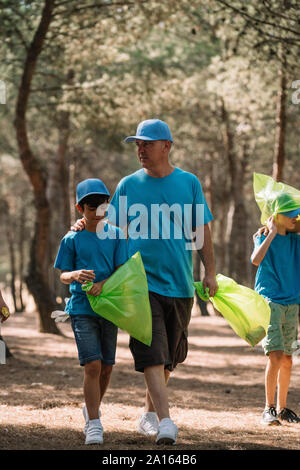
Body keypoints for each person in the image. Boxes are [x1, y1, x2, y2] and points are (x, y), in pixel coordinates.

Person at [72, 119, 218, 445]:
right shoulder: (128, 185)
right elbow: (106, 227)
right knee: (152, 354)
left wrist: (209, 271)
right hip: (140, 285)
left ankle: (150, 414)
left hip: (180, 284)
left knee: (169, 359)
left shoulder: (189, 183)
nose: (140, 150)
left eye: (146, 144)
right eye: (137, 144)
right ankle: (167, 423)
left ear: (166, 146)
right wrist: (84, 225)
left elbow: (202, 230)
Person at [54, 178, 128, 445]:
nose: (98, 210)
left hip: (110, 309)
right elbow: (63, 275)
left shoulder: (117, 236)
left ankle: (92, 409)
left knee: (107, 368)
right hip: (81, 309)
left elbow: (123, 271)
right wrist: (73, 275)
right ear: (79, 208)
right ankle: (94, 424)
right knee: (93, 364)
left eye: (102, 204)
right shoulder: (71, 238)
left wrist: (102, 285)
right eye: (91, 205)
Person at [251, 204, 300, 425]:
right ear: (276, 216)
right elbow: (255, 259)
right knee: (276, 355)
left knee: (288, 359)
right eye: (290, 215)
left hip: (292, 303)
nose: (294, 219)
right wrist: (270, 232)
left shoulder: (295, 240)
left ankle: (282, 408)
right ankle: (268, 408)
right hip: (270, 301)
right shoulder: (263, 237)